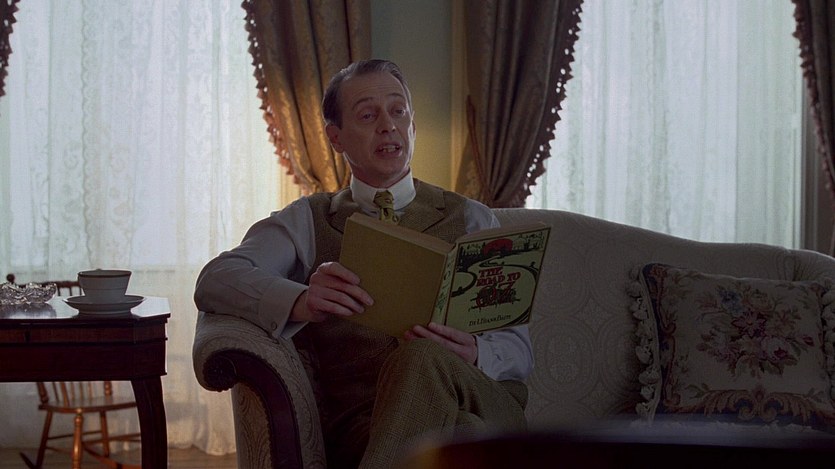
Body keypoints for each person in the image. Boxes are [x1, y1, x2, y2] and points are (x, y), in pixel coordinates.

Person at [194, 59, 533, 469]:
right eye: (368, 115)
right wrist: (302, 300)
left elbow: (518, 348)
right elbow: (216, 279)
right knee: (461, 436)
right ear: (335, 137)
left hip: (483, 399)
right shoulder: (308, 220)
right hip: (369, 427)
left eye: (398, 110)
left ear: (412, 125)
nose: (388, 126)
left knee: (424, 357)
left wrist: (476, 351)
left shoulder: (473, 218)